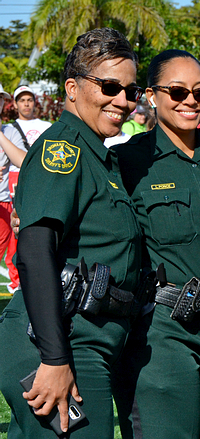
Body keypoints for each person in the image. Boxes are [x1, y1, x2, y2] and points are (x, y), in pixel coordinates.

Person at [0, 28, 144, 438]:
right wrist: (55, 357)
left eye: (131, 92)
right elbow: (33, 250)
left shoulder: (100, 155)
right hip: (54, 341)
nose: (122, 101)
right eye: (110, 87)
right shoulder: (62, 150)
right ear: (72, 88)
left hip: (83, 339)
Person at [113, 49, 200, 438]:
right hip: (162, 336)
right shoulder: (129, 161)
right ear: (152, 96)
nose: (190, 101)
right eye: (176, 91)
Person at [7, 85, 52, 293]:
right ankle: (16, 278)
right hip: (13, 180)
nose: (26, 104)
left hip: (41, 177)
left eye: (29, 100)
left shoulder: (47, 125)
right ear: (15, 104)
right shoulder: (9, 128)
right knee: (13, 229)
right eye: (21, 100)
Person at [0, 84, 28, 295]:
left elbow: (23, 160)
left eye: (0, 99)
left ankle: (16, 285)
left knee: (14, 252)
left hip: (7, 203)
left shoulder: (9, 130)